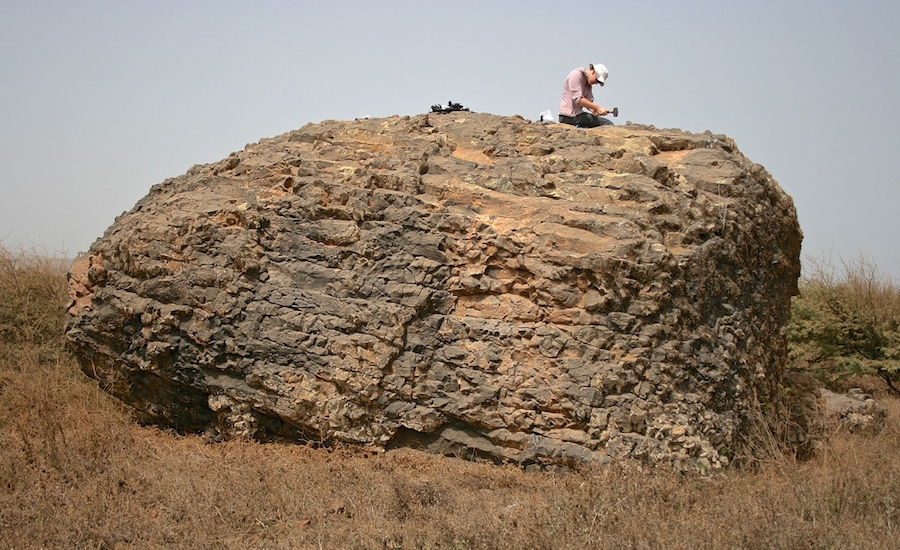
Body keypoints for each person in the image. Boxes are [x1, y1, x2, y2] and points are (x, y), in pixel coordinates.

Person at [558, 63, 613, 128]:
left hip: (577, 116)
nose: (596, 83)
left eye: (599, 82)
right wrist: (598, 107)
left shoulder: (588, 85)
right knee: (607, 124)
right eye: (597, 80)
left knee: (602, 123)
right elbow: (578, 100)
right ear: (593, 72)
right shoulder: (576, 75)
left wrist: (595, 110)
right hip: (568, 116)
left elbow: (588, 103)